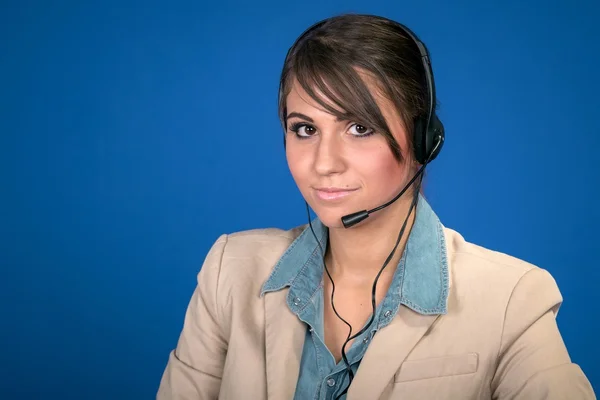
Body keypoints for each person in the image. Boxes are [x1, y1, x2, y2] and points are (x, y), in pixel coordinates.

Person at [157, 13, 595, 400]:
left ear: (425, 141)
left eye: (360, 127)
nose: (324, 163)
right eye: (305, 129)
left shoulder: (512, 301)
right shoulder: (229, 272)